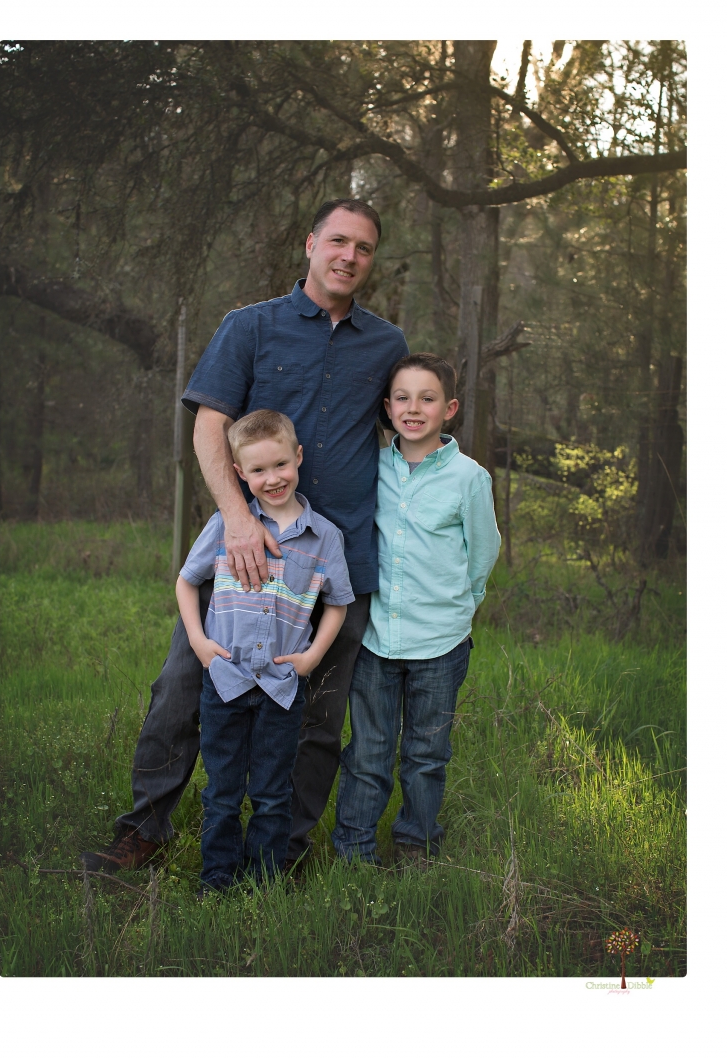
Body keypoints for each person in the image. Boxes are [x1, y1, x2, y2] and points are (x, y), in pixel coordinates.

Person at [81, 198, 410, 874]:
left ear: (372, 262)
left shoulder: (387, 346)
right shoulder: (249, 327)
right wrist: (236, 519)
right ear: (311, 243)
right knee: (184, 685)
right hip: (245, 555)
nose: (349, 256)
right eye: (338, 241)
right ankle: (146, 828)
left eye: (365, 248)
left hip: (331, 559)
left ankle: (280, 850)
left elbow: (412, 428)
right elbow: (209, 426)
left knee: (315, 709)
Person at [332, 353, 501, 868]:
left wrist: (462, 607)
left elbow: (484, 551)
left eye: (427, 399)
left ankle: (415, 844)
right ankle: (354, 851)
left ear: (448, 409)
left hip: (441, 642)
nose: (413, 408)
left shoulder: (469, 479)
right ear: (387, 407)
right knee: (367, 754)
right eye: (402, 398)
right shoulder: (372, 467)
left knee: (426, 756)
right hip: (376, 638)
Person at [176, 410, 353, 891]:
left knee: (273, 793)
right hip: (227, 682)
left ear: (298, 457)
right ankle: (217, 879)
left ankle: (265, 883)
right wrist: (199, 642)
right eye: (257, 471)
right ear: (238, 473)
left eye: (280, 465)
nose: (271, 479)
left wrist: (312, 658)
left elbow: (336, 604)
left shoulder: (325, 538)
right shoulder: (225, 526)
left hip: (281, 687)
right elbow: (187, 581)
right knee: (223, 792)